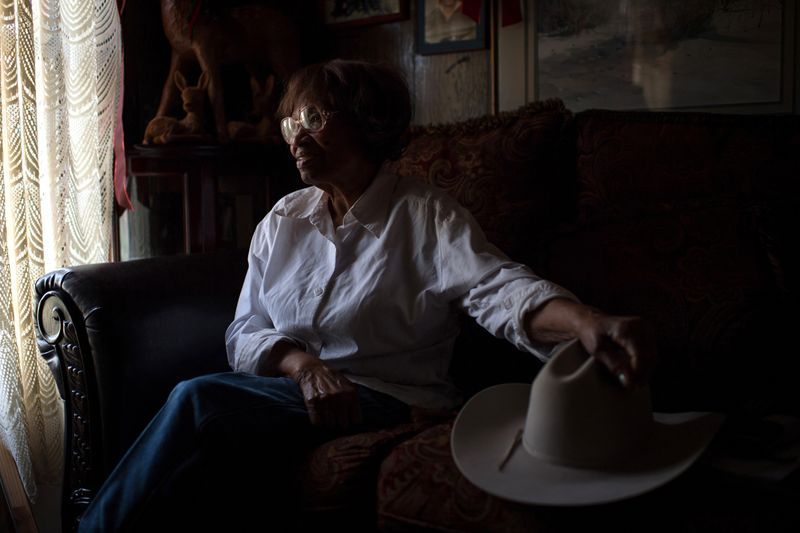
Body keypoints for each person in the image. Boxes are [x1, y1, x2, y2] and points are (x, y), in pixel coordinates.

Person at [78, 59, 656, 532]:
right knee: (201, 465)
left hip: (383, 397)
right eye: (288, 124)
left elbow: (498, 289)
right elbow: (244, 332)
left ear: (366, 123)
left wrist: (584, 322)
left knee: (197, 400)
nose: (294, 136)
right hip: (290, 392)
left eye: (312, 117)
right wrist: (301, 364)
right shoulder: (284, 219)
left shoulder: (425, 217)